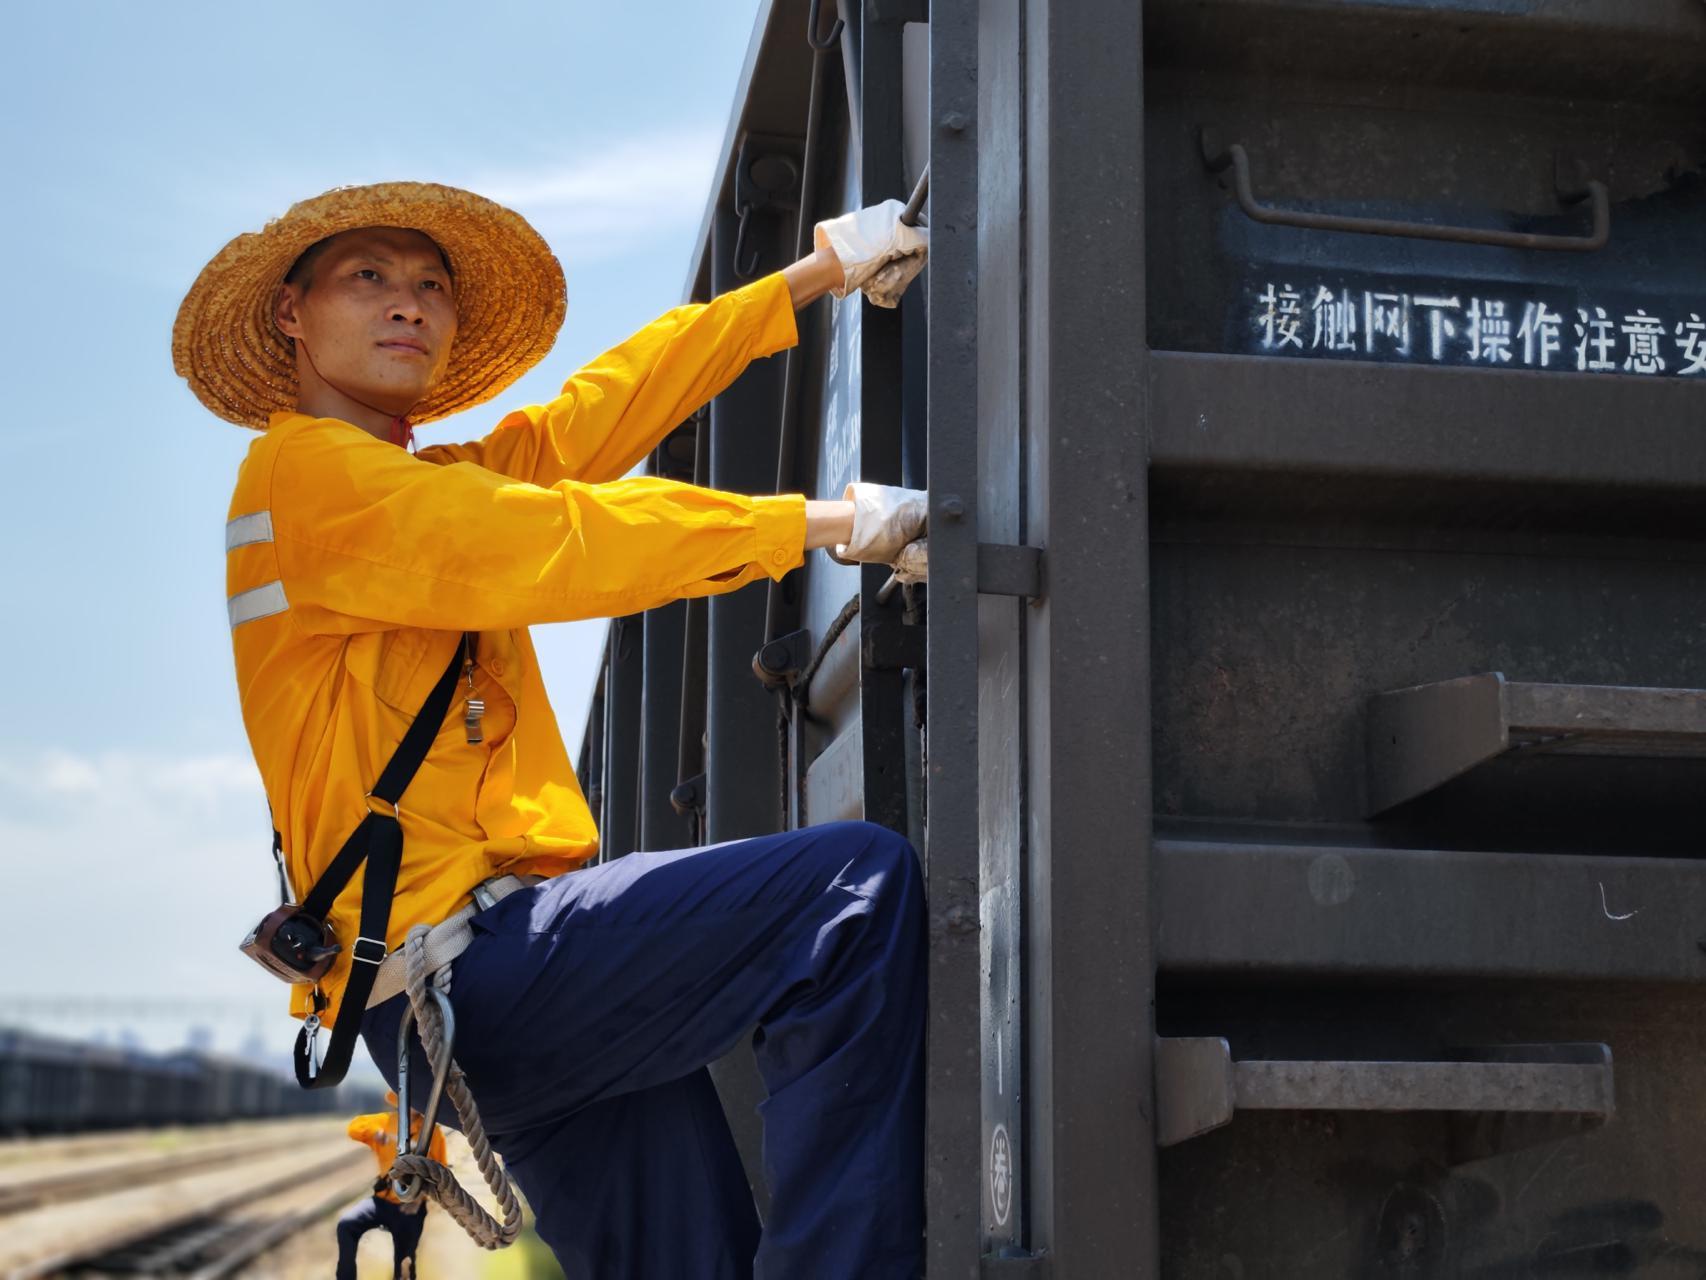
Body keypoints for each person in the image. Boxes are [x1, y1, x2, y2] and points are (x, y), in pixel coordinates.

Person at [174, 182, 931, 1279]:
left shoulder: (417, 483)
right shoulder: (309, 478)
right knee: (847, 898)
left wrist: (820, 269)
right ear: (292, 313)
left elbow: (599, 413)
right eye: (370, 279)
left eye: (431, 286)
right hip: (476, 975)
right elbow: (559, 539)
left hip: (462, 1012)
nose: (409, 306)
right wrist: (823, 524)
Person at [337, 1094, 447, 1280]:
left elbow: (441, 1175)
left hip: (410, 1208)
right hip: (382, 1201)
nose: (413, 1104)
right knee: (346, 1225)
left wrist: (419, 1200)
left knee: (404, 1262)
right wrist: (374, 1133)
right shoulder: (386, 1122)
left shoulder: (433, 1133)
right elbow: (353, 1127)